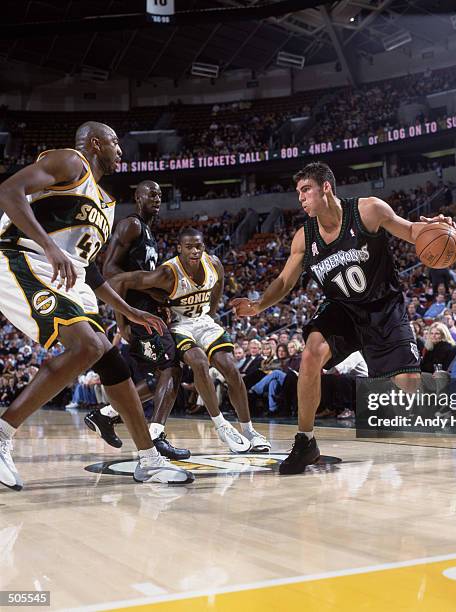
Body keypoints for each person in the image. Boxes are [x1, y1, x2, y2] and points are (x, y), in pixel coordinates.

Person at [0, 122, 192, 489]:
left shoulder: (105, 204)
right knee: (87, 346)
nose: (121, 150)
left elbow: (89, 272)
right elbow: (9, 191)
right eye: (115, 142)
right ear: (94, 143)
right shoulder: (71, 162)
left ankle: (148, 459)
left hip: (65, 276)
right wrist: (51, 246)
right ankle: (2, 434)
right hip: (19, 257)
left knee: (110, 359)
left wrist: (130, 310)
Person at [232, 161, 455, 474]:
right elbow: (284, 281)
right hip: (343, 310)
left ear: (326, 187)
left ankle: (435, 386)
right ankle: (306, 441)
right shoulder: (303, 237)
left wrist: (439, 229)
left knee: (409, 383)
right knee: (311, 353)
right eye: (298, 192)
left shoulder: (368, 211)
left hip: (383, 307)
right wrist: (259, 305)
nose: (301, 197)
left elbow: (410, 230)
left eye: (306, 189)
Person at [110, 226, 270, 453]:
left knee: (231, 369)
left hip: (203, 321)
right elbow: (119, 282)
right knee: (199, 361)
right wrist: (122, 322)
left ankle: (249, 430)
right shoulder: (167, 273)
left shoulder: (213, 263)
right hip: (179, 325)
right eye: (189, 247)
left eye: (199, 246)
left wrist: (212, 313)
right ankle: (221, 425)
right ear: (179, 249)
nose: (195, 251)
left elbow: (219, 284)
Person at [85, 180, 188, 459]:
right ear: (137, 196)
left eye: (160, 193)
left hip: (147, 312)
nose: (157, 197)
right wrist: (122, 321)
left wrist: (159, 300)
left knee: (162, 380)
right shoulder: (131, 225)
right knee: (172, 370)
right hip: (137, 314)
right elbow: (109, 274)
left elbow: (137, 279)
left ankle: (105, 415)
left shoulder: (149, 232)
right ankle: (156, 436)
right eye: (151, 193)